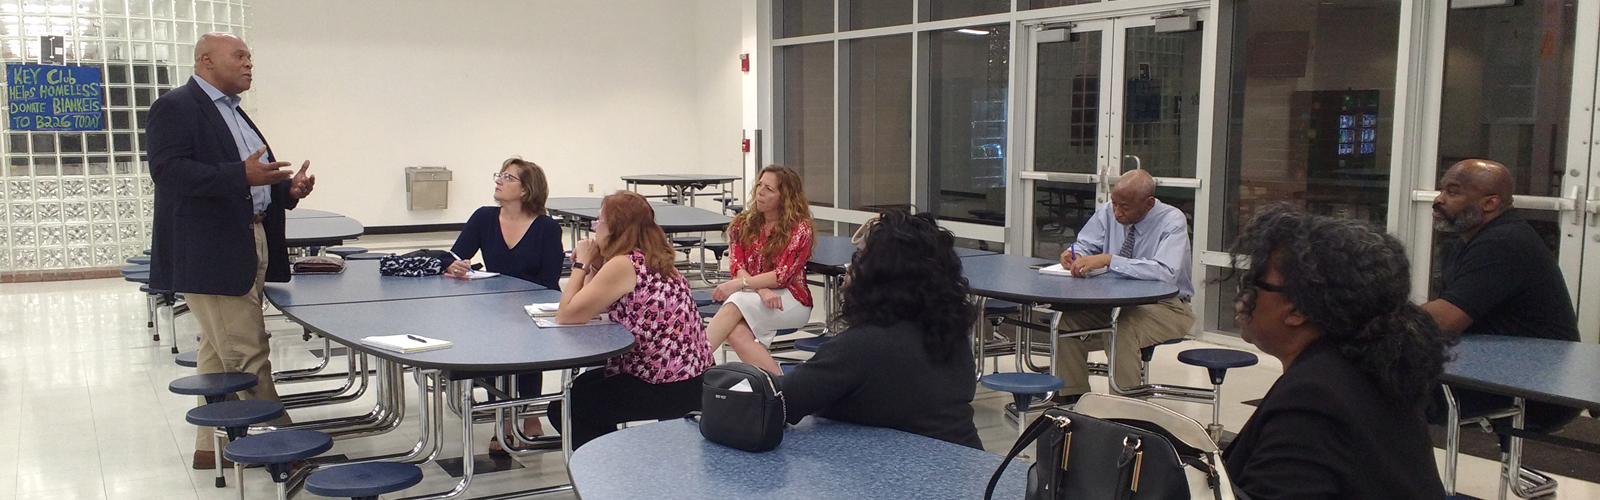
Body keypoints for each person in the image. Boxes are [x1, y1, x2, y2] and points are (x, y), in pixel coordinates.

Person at [147, 33, 316, 469]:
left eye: (250, 57)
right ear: (206, 60)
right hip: (211, 251)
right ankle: (286, 448)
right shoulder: (176, 107)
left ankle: (209, 444)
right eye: (239, 56)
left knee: (219, 348)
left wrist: (285, 191)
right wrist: (240, 176)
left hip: (249, 238)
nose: (249, 65)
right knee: (247, 350)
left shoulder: (235, 114)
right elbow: (168, 172)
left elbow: (250, 180)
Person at [1223, 205, 1450, 500]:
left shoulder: (1314, 396)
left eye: (1254, 282)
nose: (1242, 294)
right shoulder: (1371, 367)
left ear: (1298, 310)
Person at [780, 210, 982, 448]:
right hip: (966, 467)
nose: (847, 267)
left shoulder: (861, 345)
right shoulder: (951, 338)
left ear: (880, 275)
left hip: (903, 477)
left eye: (857, 258)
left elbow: (778, 402)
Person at [1422, 159, 1581, 450]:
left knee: (1383, 384)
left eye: (1452, 192)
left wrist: (1375, 312)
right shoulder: (1464, 244)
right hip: (1492, 367)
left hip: (1534, 388)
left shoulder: (1503, 243)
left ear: (1490, 202)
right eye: (1441, 190)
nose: (1438, 200)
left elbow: (1445, 320)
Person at [547, 191, 712, 449]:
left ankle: (601, 473)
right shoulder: (653, 257)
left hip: (665, 385)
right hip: (689, 377)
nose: (594, 229)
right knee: (584, 385)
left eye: (598, 222)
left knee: (570, 405)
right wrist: (595, 267)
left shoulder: (624, 265)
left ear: (614, 228)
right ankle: (612, 460)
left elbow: (567, 315)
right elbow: (593, 305)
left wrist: (580, 264)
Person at [446, 157, 565, 454]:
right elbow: (456, 254)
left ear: (526, 190)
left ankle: (529, 416)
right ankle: (505, 422)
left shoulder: (547, 228)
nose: (499, 181)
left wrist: (521, 304)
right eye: (499, 175)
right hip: (490, 306)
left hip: (532, 309)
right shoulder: (484, 217)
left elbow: (550, 282)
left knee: (523, 349)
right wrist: (454, 266)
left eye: (508, 178)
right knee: (495, 358)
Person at [1051, 169, 1193, 402]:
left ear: (1148, 203)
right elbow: (1086, 243)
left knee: (1121, 329)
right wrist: (1073, 254)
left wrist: (1110, 260)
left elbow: (1165, 272)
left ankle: (1125, 409)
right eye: (1114, 204)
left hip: (1167, 306)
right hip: (1113, 300)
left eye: (1125, 207)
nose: (1117, 212)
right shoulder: (1109, 211)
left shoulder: (1172, 220)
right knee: (1067, 321)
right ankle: (1071, 397)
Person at [705, 165, 814, 374]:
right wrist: (760, 289)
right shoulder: (742, 224)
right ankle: (780, 388)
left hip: (791, 300)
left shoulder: (800, 228)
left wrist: (742, 284)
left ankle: (691, 364)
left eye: (769, 189)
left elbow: (783, 275)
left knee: (736, 300)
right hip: (758, 295)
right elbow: (738, 266)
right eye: (759, 185)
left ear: (785, 197)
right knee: (736, 333)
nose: (760, 192)